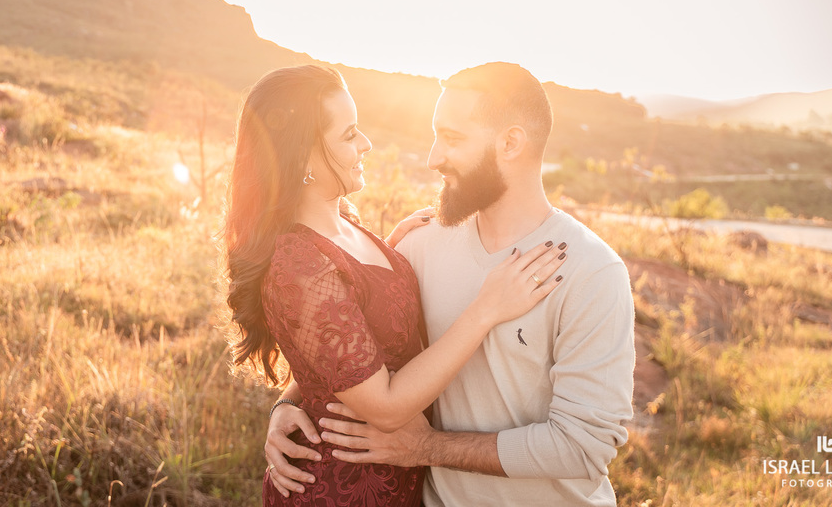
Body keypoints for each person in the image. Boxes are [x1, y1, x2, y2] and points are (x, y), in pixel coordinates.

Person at [266, 62, 636, 506]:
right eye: (435, 136)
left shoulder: (590, 271)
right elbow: (352, 344)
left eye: (453, 139)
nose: (432, 157)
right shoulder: (420, 246)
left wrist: (426, 448)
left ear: (511, 143)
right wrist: (289, 404)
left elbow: (582, 447)